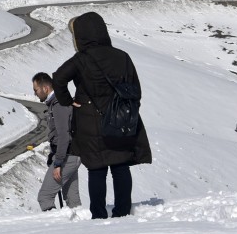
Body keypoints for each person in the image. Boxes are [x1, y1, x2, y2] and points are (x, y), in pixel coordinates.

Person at [51, 12, 152, 219]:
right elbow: (135, 89)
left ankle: (98, 214)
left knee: (97, 169)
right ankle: (122, 212)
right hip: (120, 119)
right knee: (120, 165)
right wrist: (128, 110)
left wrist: (68, 101)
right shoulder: (122, 56)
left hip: (89, 122)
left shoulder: (81, 59)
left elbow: (58, 78)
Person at [32, 71, 81, 211]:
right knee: (72, 198)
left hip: (67, 156)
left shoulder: (58, 105)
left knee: (45, 197)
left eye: (36, 90)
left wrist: (58, 162)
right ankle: (81, 228)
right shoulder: (57, 103)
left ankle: (54, 228)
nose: (35, 93)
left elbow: (63, 136)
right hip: (71, 154)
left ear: (45, 88)